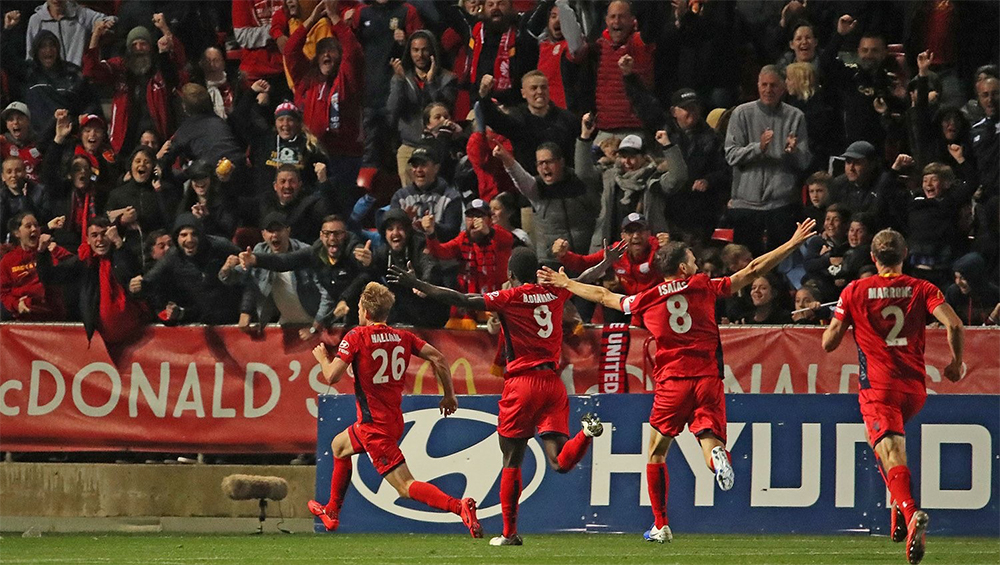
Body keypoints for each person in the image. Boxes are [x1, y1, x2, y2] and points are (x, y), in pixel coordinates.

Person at [538, 218, 818, 542]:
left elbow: (604, 296)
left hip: (673, 381)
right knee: (710, 438)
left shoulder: (647, 298)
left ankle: (661, 525)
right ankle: (717, 460)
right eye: (693, 259)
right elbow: (752, 269)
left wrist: (567, 283)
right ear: (683, 268)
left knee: (656, 453)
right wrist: (792, 243)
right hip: (708, 378)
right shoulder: (703, 285)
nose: (697, 263)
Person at [388, 247, 605, 546]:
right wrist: (605, 263)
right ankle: (586, 433)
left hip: (522, 384)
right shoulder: (555, 291)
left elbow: (462, 299)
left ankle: (509, 534)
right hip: (552, 383)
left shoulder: (509, 297)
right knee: (559, 461)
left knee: (512, 460)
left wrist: (417, 283)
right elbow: (583, 280)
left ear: (511, 275)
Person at [822, 228, 964, 565]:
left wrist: (842, 317)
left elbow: (829, 343)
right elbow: (955, 325)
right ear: (905, 255)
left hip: (879, 388)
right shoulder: (922, 288)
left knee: (890, 450)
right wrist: (956, 363)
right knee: (881, 445)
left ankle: (911, 513)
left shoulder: (855, 290)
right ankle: (897, 509)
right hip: (914, 390)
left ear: (873, 257)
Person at [307, 281, 483, 537]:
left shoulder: (356, 336)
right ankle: (332, 512)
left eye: (359, 308)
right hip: (391, 420)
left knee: (405, 486)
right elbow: (439, 358)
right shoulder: (403, 337)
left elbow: (332, 376)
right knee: (339, 446)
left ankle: (459, 506)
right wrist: (449, 395)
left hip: (374, 428)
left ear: (366, 312)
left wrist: (323, 358)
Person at [724, 65, 811, 257]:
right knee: (746, 262)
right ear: (757, 86)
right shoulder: (741, 113)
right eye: (764, 85)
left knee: (782, 262)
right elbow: (731, 155)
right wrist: (759, 148)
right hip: (746, 205)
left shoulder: (796, 116)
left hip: (782, 205)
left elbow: (804, 162)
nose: (768, 90)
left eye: (773, 85)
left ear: (783, 88)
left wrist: (793, 152)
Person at [83, 18, 186, 155]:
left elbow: (180, 61)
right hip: (124, 143)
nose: (138, 48)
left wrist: (165, 30)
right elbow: (91, 70)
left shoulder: (161, 68)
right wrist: (95, 36)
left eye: (143, 44)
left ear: (150, 47)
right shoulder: (119, 68)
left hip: (159, 140)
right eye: (134, 45)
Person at [220, 212, 331, 337]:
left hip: (316, 324)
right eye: (270, 231)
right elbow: (238, 279)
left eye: (279, 230)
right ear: (263, 234)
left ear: (288, 231)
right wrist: (226, 269)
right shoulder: (259, 251)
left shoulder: (306, 252)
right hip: (286, 325)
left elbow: (327, 293)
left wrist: (315, 327)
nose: (275, 235)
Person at [0, 211, 73, 321]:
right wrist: (16, 305)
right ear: (17, 233)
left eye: (36, 225)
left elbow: (76, 266)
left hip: (54, 317)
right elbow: (3, 293)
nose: (34, 229)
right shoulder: (8, 260)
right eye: (28, 226)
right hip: (24, 319)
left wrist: (56, 251)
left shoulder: (51, 250)